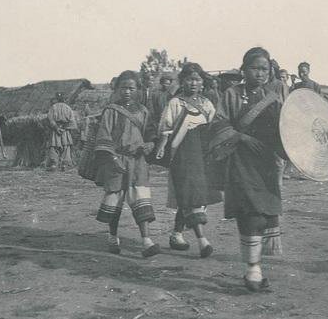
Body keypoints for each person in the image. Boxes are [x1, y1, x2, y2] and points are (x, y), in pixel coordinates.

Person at [209, 47, 285, 292]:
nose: (260, 73)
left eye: (264, 69)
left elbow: (285, 129)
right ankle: (253, 269)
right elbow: (219, 123)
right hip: (240, 161)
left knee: (264, 213)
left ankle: (255, 266)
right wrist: (241, 138)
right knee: (249, 212)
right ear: (244, 70)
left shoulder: (273, 97)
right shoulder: (231, 94)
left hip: (265, 164)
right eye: (255, 68)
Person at [155, 63, 221, 257]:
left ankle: (176, 234)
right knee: (191, 195)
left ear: (202, 82)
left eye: (197, 79)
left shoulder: (206, 104)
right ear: (182, 81)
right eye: (190, 79)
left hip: (202, 154)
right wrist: (161, 147)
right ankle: (202, 241)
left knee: (196, 197)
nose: (194, 83)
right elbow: (166, 128)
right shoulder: (176, 103)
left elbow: (214, 127)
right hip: (182, 154)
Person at [94, 71, 161, 257]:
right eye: (123, 88)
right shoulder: (111, 111)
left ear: (138, 90)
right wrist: (113, 159)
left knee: (140, 198)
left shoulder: (143, 111)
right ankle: (113, 236)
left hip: (137, 161)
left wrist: (150, 144)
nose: (127, 92)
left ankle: (146, 241)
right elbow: (104, 135)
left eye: (131, 88)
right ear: (117, 89)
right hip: (116, 160)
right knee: (115, 200)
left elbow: (150, 133)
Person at [46, 92, 77, 171]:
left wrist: (56, 128)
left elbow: (50, 120)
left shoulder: (53, 107)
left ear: (56, 98)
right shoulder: (68, 108)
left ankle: (54, 165)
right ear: (64, 99)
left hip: (55, 131)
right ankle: (64, 165)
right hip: (65, 131)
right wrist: (66, 128)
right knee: (65, 147)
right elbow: (72, 122)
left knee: (54, 147)